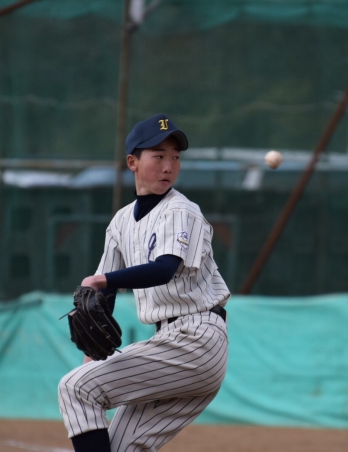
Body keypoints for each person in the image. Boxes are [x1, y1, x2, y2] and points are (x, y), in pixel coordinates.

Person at [58, 114, 230, 452]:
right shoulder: (121, 221)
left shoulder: (181, 211)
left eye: (175, 157)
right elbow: (103, 296)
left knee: (75, 388)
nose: (168, 166)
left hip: (196, 339)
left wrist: (101, 279)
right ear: (132, 162)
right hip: (171, 342)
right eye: (158, 156)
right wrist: (93, 356)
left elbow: (164, 268)